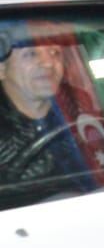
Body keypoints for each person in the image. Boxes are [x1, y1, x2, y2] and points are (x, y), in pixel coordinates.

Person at [0, 28, 83, 186]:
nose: (48, 63)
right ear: (2, 70)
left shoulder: (83, 111)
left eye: (55, 53)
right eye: (31, 54)